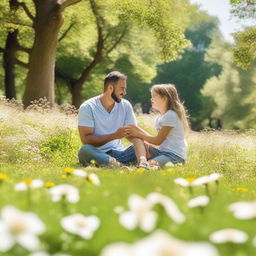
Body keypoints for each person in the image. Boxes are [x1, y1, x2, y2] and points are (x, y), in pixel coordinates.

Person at [77, 71, 147, 167]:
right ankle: (119, 166)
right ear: (110, 88)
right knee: (85, 150)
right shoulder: (88, 107)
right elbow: (86, 140)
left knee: (145, 146)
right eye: (122, 88)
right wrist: (114, 136)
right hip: (97, 153)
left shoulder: (125, 105)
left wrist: (142, 159)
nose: (124, 92)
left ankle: (143, 165)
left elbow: (134, 134)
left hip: (120, 153)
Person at [126, 84, 189, 168]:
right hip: (162, 152)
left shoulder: (171, 115)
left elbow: (157, 141)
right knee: (139, 140)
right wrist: (137, 134)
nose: (151, 99)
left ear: (164, 98)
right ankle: (142, 162)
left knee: (150, 165)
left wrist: (139, 134)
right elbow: (158, 143)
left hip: (174, 156)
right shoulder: (160, 118)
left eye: (154, 96)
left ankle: (139, 167)